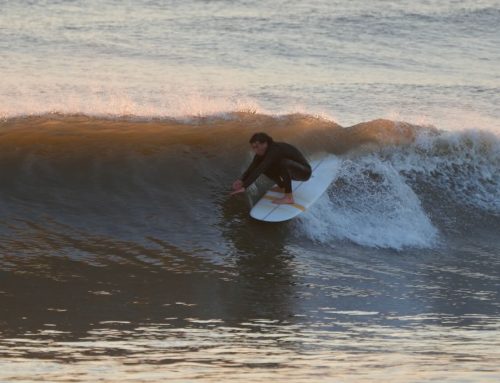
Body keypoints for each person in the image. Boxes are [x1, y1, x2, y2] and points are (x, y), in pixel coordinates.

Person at [231, 132, 312, 204]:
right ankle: (282, 187)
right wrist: (241, 180)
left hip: (304, 172)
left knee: (283, 163)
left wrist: (245, 186)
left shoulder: (274, 150)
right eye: (253, 147)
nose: (255, 150)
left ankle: (289, 197)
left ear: (265, 143)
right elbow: (252, 168)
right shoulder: (261, 154)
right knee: (265, 166)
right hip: (292, 172)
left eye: (257, 146)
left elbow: (261, 168)